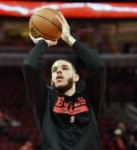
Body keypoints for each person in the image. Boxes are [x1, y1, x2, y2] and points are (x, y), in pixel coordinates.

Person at [22, 11, 106, 150]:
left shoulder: (90, 97)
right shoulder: (45, 100)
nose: (59, 71)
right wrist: (43, 43)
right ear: (52, 80)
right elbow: (30, 66)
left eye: (65, 68)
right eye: (54, 70)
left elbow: (98, 67)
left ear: (76, 77)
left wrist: (69, 39)